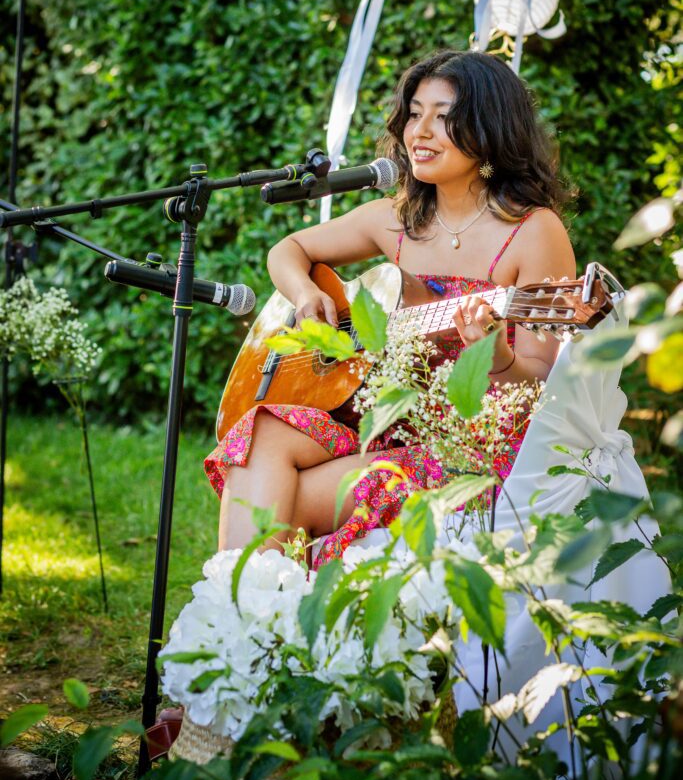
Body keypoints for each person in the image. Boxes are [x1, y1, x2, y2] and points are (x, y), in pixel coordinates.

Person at [204, 49, 576, 565]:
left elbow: (538, 378)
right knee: (259, 434)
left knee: (280, 500)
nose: (419, 131)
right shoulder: (394, 219)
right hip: (378, 415)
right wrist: (307, 295)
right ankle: (239, 615)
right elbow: (288, 250)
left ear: (491, 129)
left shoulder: (533, 233)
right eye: (415, 113)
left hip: (468, 440)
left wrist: (494, 356)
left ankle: (251, 617)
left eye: (443, 117)